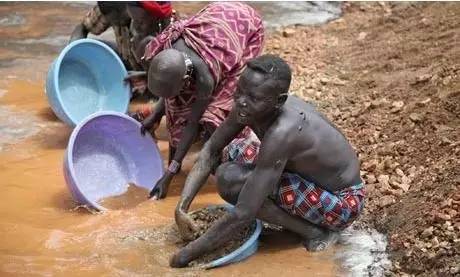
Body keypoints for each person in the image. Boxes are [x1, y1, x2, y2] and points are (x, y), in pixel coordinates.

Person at [169, 55, 365, 267]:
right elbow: (210, 151)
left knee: (231, 181)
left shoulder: (283, 131)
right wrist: (181, 207)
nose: (241, 101)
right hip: (306, 179)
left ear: (278, 101)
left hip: (342, 202)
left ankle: (315, 232)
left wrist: (183, 257)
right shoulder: (251, 104)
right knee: (234, 150)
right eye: (240, 90)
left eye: (252, 97)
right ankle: (290, 218)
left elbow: (244, 212)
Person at [137, 2, 264, 199]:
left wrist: (168, 177)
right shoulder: (167, 46)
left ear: (187, 79)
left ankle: (227, 160)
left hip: (245, 28)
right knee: (176, 106)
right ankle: (177, 162)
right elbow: (169, 96)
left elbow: (191, 123)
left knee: (214, 115)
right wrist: (155, 115)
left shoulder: (205, 77)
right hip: (217, 14)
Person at [69, 1, 174, 96]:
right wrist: (70, 53)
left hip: (155, 72)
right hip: (128, 60)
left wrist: (147, 77)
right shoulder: (109, 7)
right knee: (90, 47)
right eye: (112, 20)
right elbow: (82, 28)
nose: (115, 22)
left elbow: (173, 69)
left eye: (119, 18)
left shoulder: (153, 15)